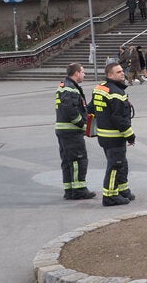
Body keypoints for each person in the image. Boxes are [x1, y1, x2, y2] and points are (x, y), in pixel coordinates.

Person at [93, 62, 136, 206]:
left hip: (104, 136)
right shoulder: (116, 93)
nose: (122, 73)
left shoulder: (99, 89)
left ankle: (123, 190)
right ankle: (110, 196)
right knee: (115, 165)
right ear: (110, 75)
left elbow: (90, 109)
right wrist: (130, 136)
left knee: (121, 163)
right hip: (114, 136)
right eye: (118, 72)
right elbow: (120, 119)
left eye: (122, 71)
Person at [55, 63, 96, 200]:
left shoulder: (65, 86)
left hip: (63, 129)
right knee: (78, 159)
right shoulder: (71, 88)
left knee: (68, 161)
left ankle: (69, 189)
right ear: (77, 73)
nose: (84, 75)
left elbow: (78, 108)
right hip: (71, 130)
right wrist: (82, 125)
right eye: (83, 72)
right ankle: (79, 190)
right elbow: (71, 111)